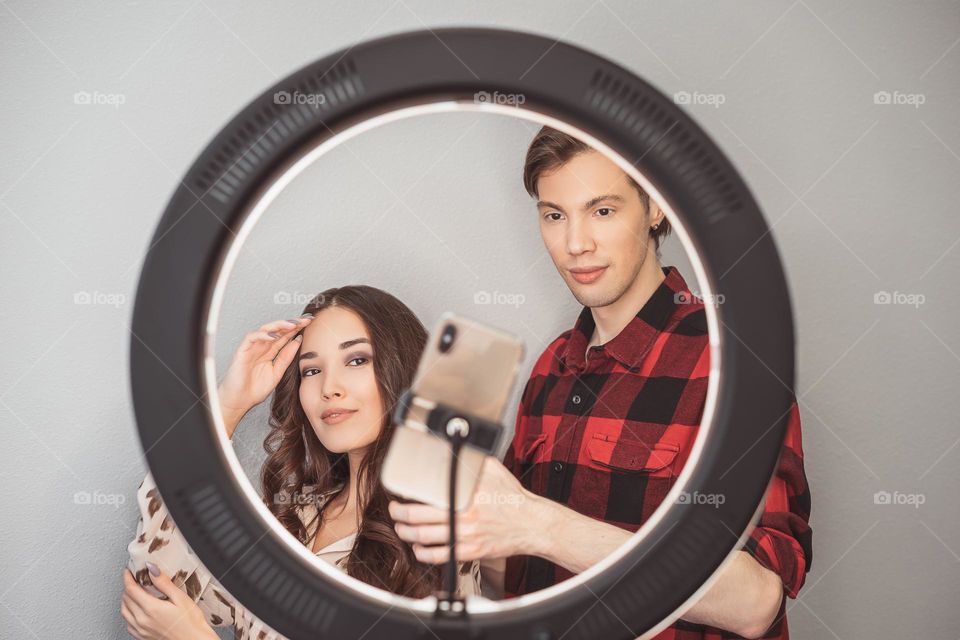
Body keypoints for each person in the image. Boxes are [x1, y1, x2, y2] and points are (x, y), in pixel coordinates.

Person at [390, 127, 812, 639]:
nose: (575, 243)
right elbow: (516, 576)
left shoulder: (735, 365)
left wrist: (539, 525)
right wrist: (463, 519)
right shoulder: (551, 365)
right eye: (554, 215)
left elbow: (756, 601)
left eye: (603, 211)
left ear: (655, 208)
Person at [121, 285, 482, 640]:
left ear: (404, 372)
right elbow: (152, 598)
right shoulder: (293, 514)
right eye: (311, 370)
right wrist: (228, 407)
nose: (329, 387)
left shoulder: (442, 531)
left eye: (357, 360)